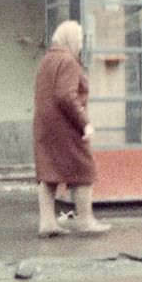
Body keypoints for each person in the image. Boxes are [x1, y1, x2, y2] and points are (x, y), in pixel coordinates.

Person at [33, 20, 111, 236]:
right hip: (65, 126)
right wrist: (84, 122)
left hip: (45, 126)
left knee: (49, 173)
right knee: (84, 170)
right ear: (69, 39)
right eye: (78, 39)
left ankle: (47, 223)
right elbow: (65, 95)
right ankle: (85, 220)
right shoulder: (68, 61)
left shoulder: (47, 60)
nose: (80, 44)